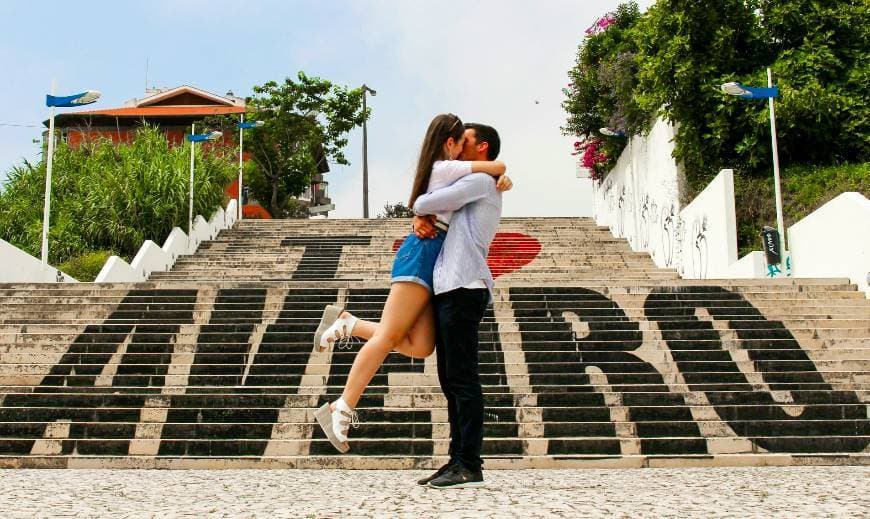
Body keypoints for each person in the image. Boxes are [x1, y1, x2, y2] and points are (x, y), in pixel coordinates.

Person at [312, 114, 511, 454]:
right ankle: (341, 407)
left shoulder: (463, 173)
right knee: (390, 336)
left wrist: (499, 174)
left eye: (468, 142)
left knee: (420, 346)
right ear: (449, 142)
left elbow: (443, 193)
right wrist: (498, 171)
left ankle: (351, 323)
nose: (462, 147)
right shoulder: (452, 169)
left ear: (480, 147)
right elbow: (426, 200)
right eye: (458, 140)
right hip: (423, 253)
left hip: (435, 259)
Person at [411, 122, 504, 489]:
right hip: (449, 287)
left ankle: (470, 462)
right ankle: (456, 459)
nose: (455, 146)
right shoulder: (474, 181)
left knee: (463, 380)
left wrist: (422, 212)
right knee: (450, 380)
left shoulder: (480, 182)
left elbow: (425, 202)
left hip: (465, 287)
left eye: (463, 140)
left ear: (481, 148)